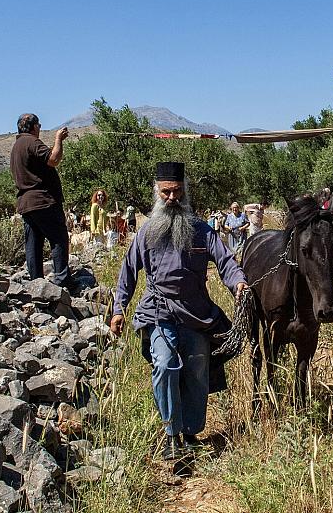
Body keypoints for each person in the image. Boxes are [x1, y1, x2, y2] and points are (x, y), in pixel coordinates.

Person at [110, 162, 247, 460]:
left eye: (177, 192)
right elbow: (129, 271)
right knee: (165, 364)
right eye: (166, 192)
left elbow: (225, 261)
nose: (172, 198)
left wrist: (238, 283)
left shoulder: (201, 231)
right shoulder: (146, 233)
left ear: (185, 192)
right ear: (157, 193)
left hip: (196, 313)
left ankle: (190, 432)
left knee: (197, 371)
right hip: (158, 311)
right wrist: (119, 308)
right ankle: (172, 434)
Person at [9, 114, 72, 287]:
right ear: (34, 127)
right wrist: (58, 139)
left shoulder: (16, 147)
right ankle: (62, 280)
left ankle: (36, 283)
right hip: (43, 201)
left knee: (33, 244)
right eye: (39, 125)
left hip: (26, 204)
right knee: (58, 238)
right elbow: (54, 159)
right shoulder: (31, 142)